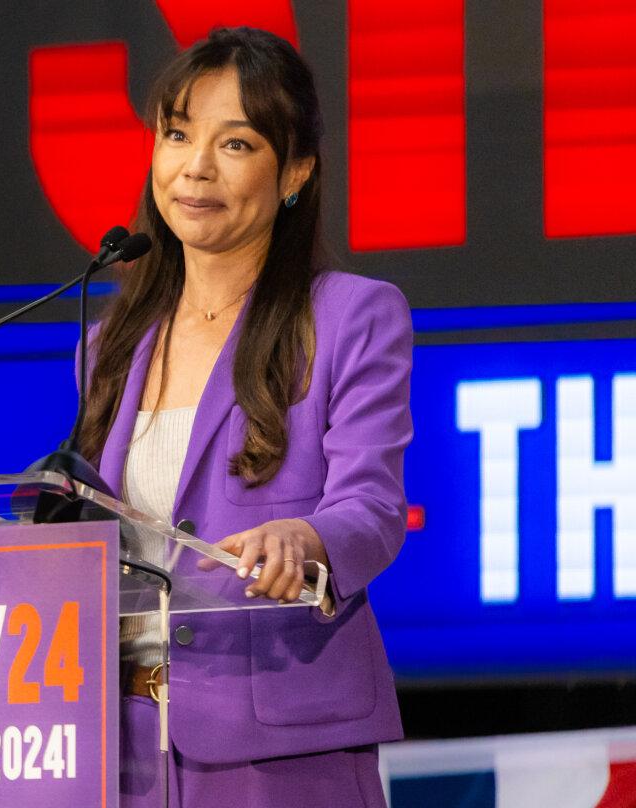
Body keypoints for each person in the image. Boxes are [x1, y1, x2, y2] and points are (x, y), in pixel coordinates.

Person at [79, 27, 413, 807]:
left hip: (282, 742)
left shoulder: (351, 316)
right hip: (123, 747)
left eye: (235, 143)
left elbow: (373, 508)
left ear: (295, 171)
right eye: (176, 134)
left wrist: (309, 538)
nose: (195, 166)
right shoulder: (109, 344)